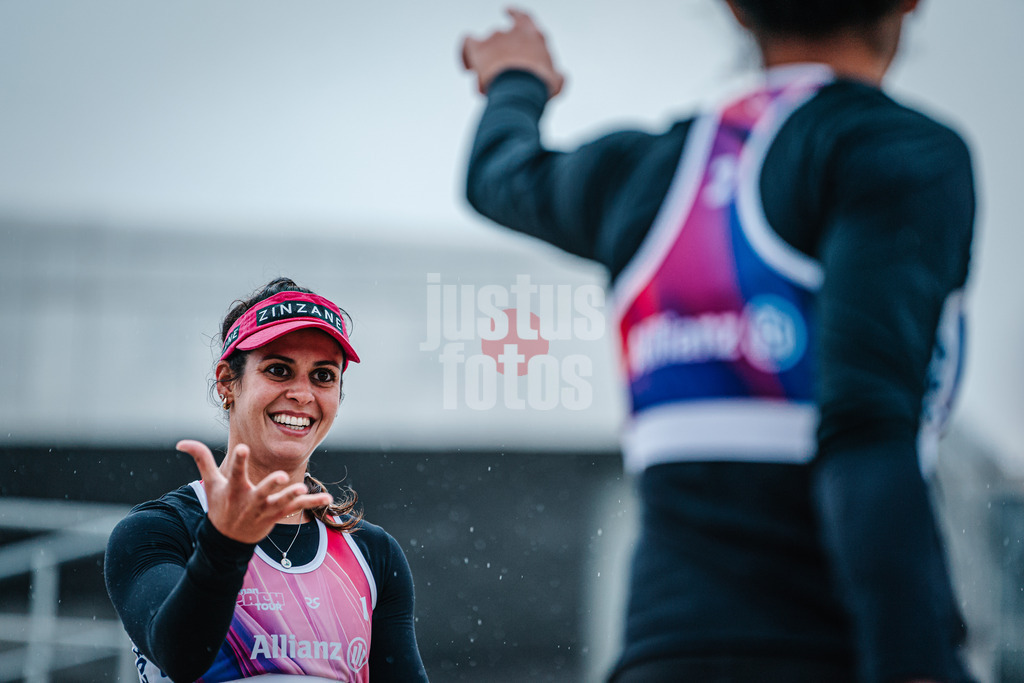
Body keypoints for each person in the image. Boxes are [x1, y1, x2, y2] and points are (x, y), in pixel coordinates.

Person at [461, 3, 975, 683]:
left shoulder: (641, 172)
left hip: (664, 651)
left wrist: (517, 79)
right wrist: (917, 662)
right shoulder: (893, 150)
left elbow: (499, 175)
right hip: (831, 646)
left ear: (733, 8)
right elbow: (864, 427)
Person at [104, 277, 429, 683]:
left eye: (323, 376)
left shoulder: (373, 553)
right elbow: (181, 656)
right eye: (279, 370)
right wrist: (225, 544)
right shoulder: (157, 530)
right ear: (227, 381)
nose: (302, 394)